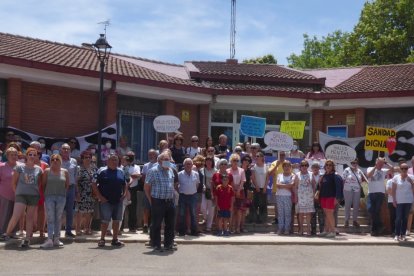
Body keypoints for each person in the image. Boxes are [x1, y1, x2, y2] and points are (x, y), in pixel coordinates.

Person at [1, 148, 43, 247]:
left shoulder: (39, 169)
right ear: (26, 156)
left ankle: (27, 239)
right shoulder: (19, 167)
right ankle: (6, 234)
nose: (32, 157)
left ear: (36, 156)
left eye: (34, 155)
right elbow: (14, 183)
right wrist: (17, 192)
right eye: (30, 155)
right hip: (21, 195)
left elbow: (39, 183)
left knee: (29, 217)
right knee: (16, 215)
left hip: (33, 196)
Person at [144, 151, 177, 252]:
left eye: (169, 160)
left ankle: (168, 244)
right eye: (166, 160)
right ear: (159, 161)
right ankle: (156, 244)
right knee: (156, 224)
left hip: (170, 201)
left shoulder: (171, 170)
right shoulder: (153, 171)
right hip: (158, 201)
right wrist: (151, 200)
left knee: (170, 224)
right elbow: (146, 187)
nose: (168, 161)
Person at [93, 154, 127, 247]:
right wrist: (100, 197)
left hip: (118, 200)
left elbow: (125, 184)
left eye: (116, 160)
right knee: (105, 221)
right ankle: (102, 239)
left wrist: (124, 195)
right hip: (105, 201)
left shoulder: (121, 171)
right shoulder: (101, 170)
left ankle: (115, 239)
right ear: (107, 161)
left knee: (117, 220)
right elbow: (93, 183)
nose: (114, 162)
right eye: (112, 160)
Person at [40, 154, 69, 248]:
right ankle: (49, 239)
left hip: (61, 197)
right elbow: (43, 184)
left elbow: (67, 185)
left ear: (60, 161)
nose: (55, 161)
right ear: (50, 161)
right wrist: (46, 194)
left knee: (58, 218)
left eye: (57, 159)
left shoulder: (65, 172)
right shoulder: (47, 171)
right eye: (53, 159)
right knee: (50, 218)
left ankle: (56, 239)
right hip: (49, 197)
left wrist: (62, 194)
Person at [366, 157, 393, 236]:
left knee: (376, 211)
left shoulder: (383, 171)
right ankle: (380, 225)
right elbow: (369, 175)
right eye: (379, 163)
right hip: (371, 192)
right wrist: (375, 167)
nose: (381, 165)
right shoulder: (370, 168)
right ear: (376, 162)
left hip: (380, 193)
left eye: (382, 164)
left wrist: (386, 163)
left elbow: (392, 169)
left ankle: (374, 230)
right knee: (371, 209)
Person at [318, 159, 343, 238]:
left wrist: (337, 198)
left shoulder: (335, 175)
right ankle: (326, 230)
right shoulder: (324, 175)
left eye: (330, 165)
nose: (328, 166)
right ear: (325, 166)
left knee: (330, 214)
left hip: (331, 197)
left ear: (333, 167)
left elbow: (339, 188)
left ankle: (333, 231)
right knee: (327, 214)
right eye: (327, 165)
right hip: (323, 197)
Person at [75, 150, 96, 235]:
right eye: (85, 157)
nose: (87, 159)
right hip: (82, 191)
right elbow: (76, 181)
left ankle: (87, 228)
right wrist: (77, 193)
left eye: (89, 157)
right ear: (82, 158)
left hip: (91, 192)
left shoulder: (94, 168)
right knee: (80, 211)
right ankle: (78, 229)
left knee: (89, 211)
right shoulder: (79, 168)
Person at [177, 158, 200, 236]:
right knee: (182, 214)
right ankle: (182, 231)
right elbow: (176, 185)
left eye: (190, 164)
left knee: (193, 214)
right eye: (187, 164)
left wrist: (192, 191)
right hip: (182, 196)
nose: (188, 165)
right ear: (184, 165)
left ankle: (194, 231)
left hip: (193, 196)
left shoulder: (196, 174)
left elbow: (197, 184)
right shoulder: (179, 174)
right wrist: (180, 191)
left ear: (192, 165)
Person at [392, 162, 414, 241]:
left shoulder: (411, 177)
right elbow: (393, 189)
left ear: (408, 169)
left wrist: (411, 182)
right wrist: (394, 200)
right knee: (398, 218)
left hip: (408, 200)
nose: (404, 170)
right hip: (399, 201)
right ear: (400, 169)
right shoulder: (396, 177)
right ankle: (397, 234)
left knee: (405, 218)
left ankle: (403, 234)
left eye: (406, 168)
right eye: (402, 168)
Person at [60, 143, 78, 237]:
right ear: (61, 150)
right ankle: (57, 230)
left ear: (70, 151)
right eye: (64, 149)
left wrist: (76, 191)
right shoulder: (57, 160)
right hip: (60, 188)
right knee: (59, 209)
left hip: (71, 188)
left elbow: (75, 176)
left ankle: (68, 230)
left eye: (67, 149)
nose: (66, 151)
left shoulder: (74, 161)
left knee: (70, 210)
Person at [342, 158, 366, 228]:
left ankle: (354, 220)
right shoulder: (346, 170)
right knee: (348, 205)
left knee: (356, 205)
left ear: (357, 163)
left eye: (355, 163)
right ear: (350, 163)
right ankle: (346, 221)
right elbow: (343, 180)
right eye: (352, 163)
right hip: (347, 189)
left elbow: (363, 180)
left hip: (357, 190)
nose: (354, 164)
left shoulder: (359, 171)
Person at [0, 147, 19, 235]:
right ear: (7, 156)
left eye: (15, 154)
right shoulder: (2, 166)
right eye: (12, 155)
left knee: (15, 215)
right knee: (4, 215)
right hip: (4, 194)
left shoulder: (21, 166)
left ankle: (13, 233)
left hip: (18, 195)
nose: (14, 156)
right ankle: (2, 233)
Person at [295, 160, 315, 235]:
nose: (304, 167)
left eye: (305, 165)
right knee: (301, 213)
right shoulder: (297, 174)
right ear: (300, 166)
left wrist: (313, 195)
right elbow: (295, 186)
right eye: (302, 165)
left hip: (309, 196)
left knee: (308, 214)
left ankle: (308, 230)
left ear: (307, 166)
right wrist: (296, 196)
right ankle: (301, 229)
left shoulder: (311, 174)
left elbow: (313, 185)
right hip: (301, 196)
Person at [227, 154, 246, 233]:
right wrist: (233, 189)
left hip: (240, 192)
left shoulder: (241, 170)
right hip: (230, 192)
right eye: (234, 160)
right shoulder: (227, 171)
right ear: (231, 161)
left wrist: (238, 190)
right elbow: (227, 181)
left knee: (239, 211)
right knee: (231, 210)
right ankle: (230, 227)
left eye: (237, 160)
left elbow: (243, 181)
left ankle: (238, 228)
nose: (235, 162)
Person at [276, 160, 295, 235]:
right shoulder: (279, 175)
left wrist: (283, 185)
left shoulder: (293, 175)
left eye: (288, 166)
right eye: (285, 166)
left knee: (287, 213)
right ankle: (280, 228)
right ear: (283, 167)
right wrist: (287, 186)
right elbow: (277, 185)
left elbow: (291, 185)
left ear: (290, 167)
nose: (286, 168)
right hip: (279, 196)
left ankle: (287, 229)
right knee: (280, 214)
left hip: (288, 196)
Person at [141, 149, 158, 234]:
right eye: (149, 155)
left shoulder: (159, 165)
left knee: (156, 208)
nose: (151, 156)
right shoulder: (145, 165)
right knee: (146, 207)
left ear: (156, 155)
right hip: (147, 189)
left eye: (152, 154)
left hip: (156, 189)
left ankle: (154, 225)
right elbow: (143, 177)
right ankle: (145, 224)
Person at [124, 151, 141, 233]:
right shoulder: (122, 166)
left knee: (133, 209)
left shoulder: (137, 166)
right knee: (122, 208)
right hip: (123, 189)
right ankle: (120, 227)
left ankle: (132, 227)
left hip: (133, 189)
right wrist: (132, 175)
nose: (130, 158)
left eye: (132, 156)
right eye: (129, 156)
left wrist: (129, 175)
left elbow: (138, 176)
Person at [268, 151, 287, 224]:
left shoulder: (287, 163)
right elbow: (270, 174)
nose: (282, 156)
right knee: (276, 204)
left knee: (284, 205)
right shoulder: (274, 163)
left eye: (283, 155)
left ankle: (284, 219)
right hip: (276, 188)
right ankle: (276, 218)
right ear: (278, 155)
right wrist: (276, 165)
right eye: (280, 155)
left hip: (286, 188)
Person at [251, 151, 268, 224]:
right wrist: (256, 186)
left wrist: (265, 187)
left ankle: (262, 219)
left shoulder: (266, 166)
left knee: (263, 204)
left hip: (263, 188)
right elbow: (253, 178)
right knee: (255, 204)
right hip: (255, 188)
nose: (257, 157)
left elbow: (267, 178)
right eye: (256, 156)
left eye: (258, 156)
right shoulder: (254, 167)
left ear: (262, 157)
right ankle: (254, 219)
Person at [201, 156, 216, 233]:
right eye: (207, 161)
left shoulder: (215, 171)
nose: (209, 162)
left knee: (211, 209)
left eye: (210, 161)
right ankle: (205, 218)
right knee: (203, 207)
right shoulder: (202, 170)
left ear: (212, 162)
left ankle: (208, 226)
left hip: (212, 191)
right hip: (204, 191)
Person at [310, 162, 324, 235]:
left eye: (317, 167)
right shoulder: (309, 175)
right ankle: (313, 231)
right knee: (312, 216)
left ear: (319, 168)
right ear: (311, 168)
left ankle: (322, 231)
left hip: (320, 199)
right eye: (314, 167)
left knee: (321, 216)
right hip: (311, 198)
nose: (315, 168)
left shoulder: (322, 176)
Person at [386, 172, 396, 237]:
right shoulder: (389, 181)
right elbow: (388, 191)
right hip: (391, 201)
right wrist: (396, 195)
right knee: (392, 217)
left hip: (400, 201)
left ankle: (399, 231)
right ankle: (393, 231)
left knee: (400, 217)